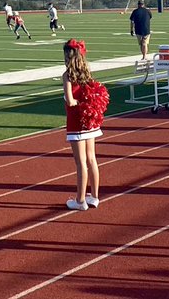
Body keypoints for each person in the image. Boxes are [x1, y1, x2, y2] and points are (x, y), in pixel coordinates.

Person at [62, 38, 103, 211]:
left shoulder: (67, 76)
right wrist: (89, 105)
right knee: (92, 159)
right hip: (90, 121)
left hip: (76, 121)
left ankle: (80, 201)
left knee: (81, 163)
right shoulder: (86, 73)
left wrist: (80, 103)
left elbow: (70, 101)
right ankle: (94, 197)